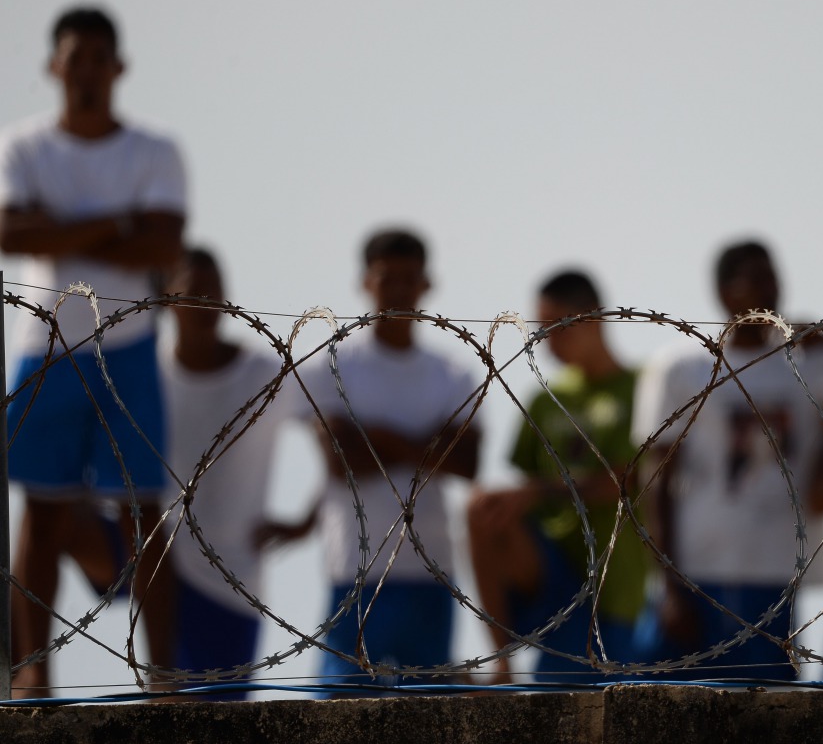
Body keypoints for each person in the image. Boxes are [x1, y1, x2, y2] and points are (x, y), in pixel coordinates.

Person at [0, 6, 186, 697]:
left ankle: (161, 671)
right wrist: (116, 223)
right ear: (55, 66)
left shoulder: (153, 150)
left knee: (141, 511)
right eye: (73, 58)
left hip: (129, 344)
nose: (84, 73)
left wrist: (62, 231)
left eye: (96, 59)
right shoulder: (22, 145)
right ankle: (32, 670)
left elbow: (163, 245)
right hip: (45, 346)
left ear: (118, 67)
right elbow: (12, 233)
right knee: (42, 511)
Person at [632, 240, 823, 680]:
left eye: (773, 277)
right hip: (699, 569)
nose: (771, 288)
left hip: (775, 571)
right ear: (727, 291)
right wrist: (668, 582)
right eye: (757, 279)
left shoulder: (809, 366)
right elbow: (656, 481)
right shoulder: (682, 369)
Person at [302, 228, 480, 693]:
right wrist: (426, 447)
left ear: (426, 283)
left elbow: (468, 461)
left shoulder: (452, 373)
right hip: (357, 566)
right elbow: (339, 461)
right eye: (388, 278)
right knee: (340, 705)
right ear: (366, 282)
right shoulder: (334, 365)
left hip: (430, 564)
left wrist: (374, 435)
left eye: (409, 278)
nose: (399, 290)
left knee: (431, 707)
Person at [467, 270, 646, 683]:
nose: (547, 340)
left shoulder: (637, 389)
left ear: (594, 317)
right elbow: (519, 492)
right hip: (552, 573)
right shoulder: (547, 398)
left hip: (609, 580)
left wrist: (539, 492)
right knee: (482, 508)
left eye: (558, 327)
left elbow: (627, 480)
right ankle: (501, 662)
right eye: (541, 329)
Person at [161, 247, 306, 699]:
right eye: (194, 292)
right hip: (157, 567)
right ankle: (28, 673)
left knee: (218, 718)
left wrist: (306, 522)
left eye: (215, 292)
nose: (207, 303)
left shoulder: (262, 372)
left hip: (232, 581)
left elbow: (332, 435)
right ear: (167, 298)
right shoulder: (150, 373)